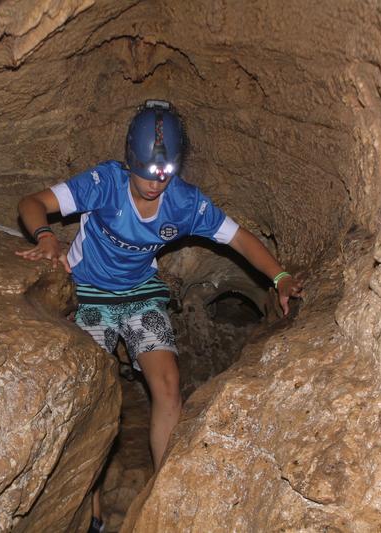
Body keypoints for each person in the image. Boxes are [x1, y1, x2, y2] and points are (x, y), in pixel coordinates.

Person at [16, 100, 302, 533]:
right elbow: (33, 202)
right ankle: (90, 510)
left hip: (141, 294)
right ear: (130, 162)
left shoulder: (184, 202)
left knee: (167, 385)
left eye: (163, 175)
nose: (154, 185)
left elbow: (240, 240)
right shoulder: (104, 183)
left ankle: (165, 496)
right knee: (93, 393)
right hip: (90, 291)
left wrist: (279, 275)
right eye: (147, 174)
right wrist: (45, 237)